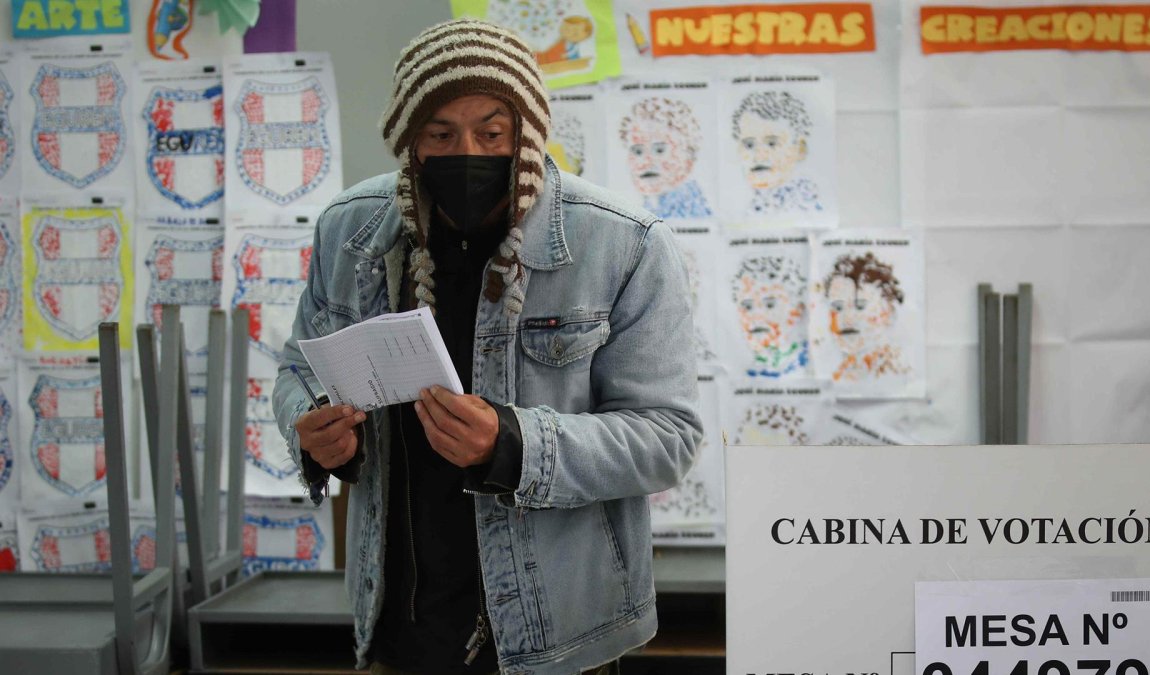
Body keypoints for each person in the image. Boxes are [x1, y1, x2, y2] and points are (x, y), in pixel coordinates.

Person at [272, 18, 701, 675]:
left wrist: (514, 444)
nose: (466, 151)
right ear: (408, 138)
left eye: (492, 133)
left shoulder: (626, 245)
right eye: (440, 133)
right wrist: (312, 430)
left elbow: (667, 436)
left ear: (528, 135)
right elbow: (298, 368)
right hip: (399, 623)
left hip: (559, 633)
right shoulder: (350, 231)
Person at [618, 97, 713, 219]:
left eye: (659, 150)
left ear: (688, 160)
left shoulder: (692, 211)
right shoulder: (647, 208)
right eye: (638, 151)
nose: (647, 162)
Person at [731, 91, 822, 215]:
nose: (759, 156)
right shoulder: (751, 204)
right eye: (749, 145)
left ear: (800, 149)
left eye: (772, 144)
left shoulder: (804, 204)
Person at [823, 252, 908, 381]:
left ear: (888, 312)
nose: (848, 318)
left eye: (860, 306)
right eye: (838, 308)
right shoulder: (840, 376)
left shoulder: (895, 376)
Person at [731, 255, 809, 377]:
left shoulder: (807, 361)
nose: (756, 317)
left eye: (770, 305)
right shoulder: (748, 370)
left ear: (797, 310)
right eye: (747, 307)